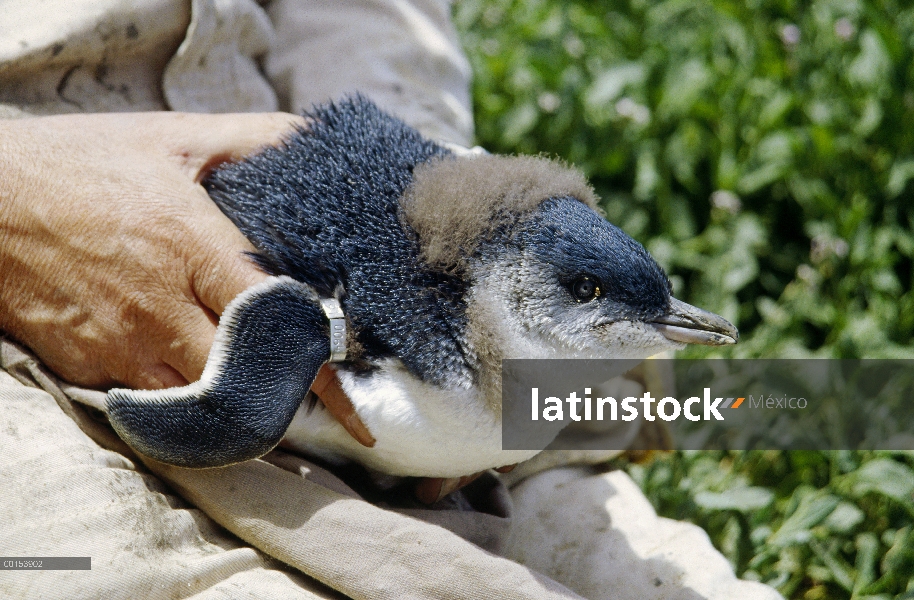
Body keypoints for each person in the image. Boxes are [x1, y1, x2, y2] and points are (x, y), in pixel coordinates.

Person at [0, 1, 783, 598]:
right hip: (53, 297)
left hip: (440, 417)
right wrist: (19, 199)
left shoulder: (524, 349)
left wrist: (454, 179)